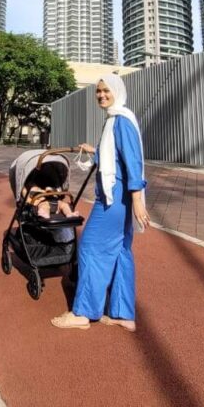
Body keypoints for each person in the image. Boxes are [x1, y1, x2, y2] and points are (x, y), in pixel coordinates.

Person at [52, 74, 150, 333]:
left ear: (117, 91)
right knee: (120, 253)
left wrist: (138, 201)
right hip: (120, 198)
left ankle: (83, 312)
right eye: (98, 91)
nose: (102, 95)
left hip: (114, 199)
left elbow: (133, 161)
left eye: (106, 90)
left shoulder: (120, 121)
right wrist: (95, 150)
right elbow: (115, 155)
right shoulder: (115, 120)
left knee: (90, 248)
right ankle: (122, 313)